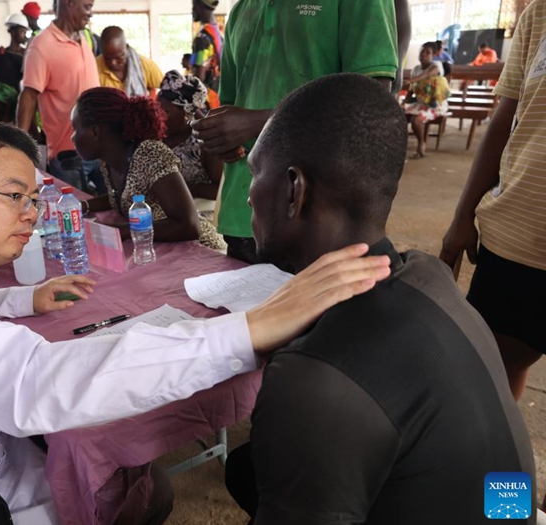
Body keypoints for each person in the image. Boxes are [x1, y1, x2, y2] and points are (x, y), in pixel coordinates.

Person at [0, 115, 391, 524]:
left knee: (119, 464)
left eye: (35, 199)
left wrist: (21, 300)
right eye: (16, 197)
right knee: (115, 475)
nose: (33, 216)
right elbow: (38, 386)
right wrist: (244, 330)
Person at [226, 72, 536, 525]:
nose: (248, 195)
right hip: (507, 508)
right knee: (246, 469)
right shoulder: (428, 275)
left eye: (255, 173)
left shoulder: (312, 378)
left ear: (295, 190)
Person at [190, 0, 401, 264]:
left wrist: (255, 123)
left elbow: (370, 101)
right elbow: (233, 105)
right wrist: (219, 134)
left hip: (316, 219)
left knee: (320, 304)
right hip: (244, 213)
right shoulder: (242, 8)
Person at [440, 0, 546, 404]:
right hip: (518, 233)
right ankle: (500, 470)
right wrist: (462, 216)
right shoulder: (538, 15)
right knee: (494, 374)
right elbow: (506, 118)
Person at [73, 87, 225, 250]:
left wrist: (121, 231)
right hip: (160, 248)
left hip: (200, 251)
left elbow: (189, 226)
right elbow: (120, 196)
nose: (72, 138)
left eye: (75, 129)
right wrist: (82, 207)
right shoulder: (109, 160)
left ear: (95, 131)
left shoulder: (149, 154)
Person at [18, 0, 101, 191]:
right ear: (69, 3)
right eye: (87, 6)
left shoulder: (85, 38)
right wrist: (19, 147)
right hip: (69, 155)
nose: (91, 13)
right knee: (72, 215)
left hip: (100, 148)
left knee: (114, 211)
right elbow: (29, 96)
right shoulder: (42, 45)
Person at [158, 71, 221, 202]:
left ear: (186, 113)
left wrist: (184, 189)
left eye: (165, 111)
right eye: (156, 108)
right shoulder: (155, 136)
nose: (158, 116)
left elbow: (220, 190)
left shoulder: (205, 141)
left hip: (199, 211)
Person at [403, 42, 450, 159]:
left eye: (427, 52)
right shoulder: (415, 69)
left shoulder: (436, 66)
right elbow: (411, 90)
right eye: (422, 51)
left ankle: (421, 145)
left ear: (433, 55)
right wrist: (404, 102)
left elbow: (427, 74)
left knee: (416, 120)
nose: (423, 54)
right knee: (398, 114)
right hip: (420, 103)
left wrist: (411, 80)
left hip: (435, 106)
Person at [97, 26, 163, 97]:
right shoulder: (94, 67)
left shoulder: (145, 64)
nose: (113, 63)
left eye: (118, 57)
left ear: (126, 47)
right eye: (107, 58)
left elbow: (167, 90)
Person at [190, 0, 223, 108]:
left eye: (194, 5)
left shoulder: (202, 39)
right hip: (219, 98)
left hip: (207, 103)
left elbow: (199, 76)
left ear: (200, 5)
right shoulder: (218, 33)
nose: (192, 10)